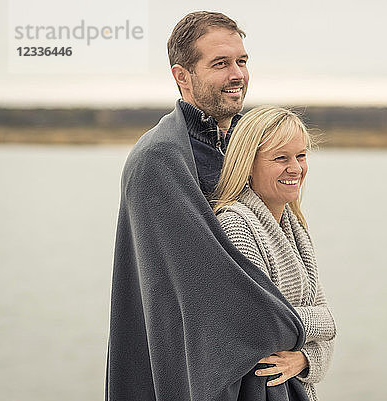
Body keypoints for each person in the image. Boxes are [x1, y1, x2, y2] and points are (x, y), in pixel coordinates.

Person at [106, 12, 312, 401]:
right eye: (220, 64)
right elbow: (221, 295)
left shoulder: (232, 146)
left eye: (242, 61)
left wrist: (306, 351)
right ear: (182, 76)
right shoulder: (160, 158)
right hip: (203, 381)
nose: (238, 74)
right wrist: (314, 327)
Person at [213, 106, 336, 401]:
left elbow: (326, 334)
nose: (295, 168)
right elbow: (260, 327)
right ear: (247, 164)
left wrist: (304, 359)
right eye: (281, 158)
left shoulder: (296, 228)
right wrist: (322, 323)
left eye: (301, 156)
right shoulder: (236, 225)